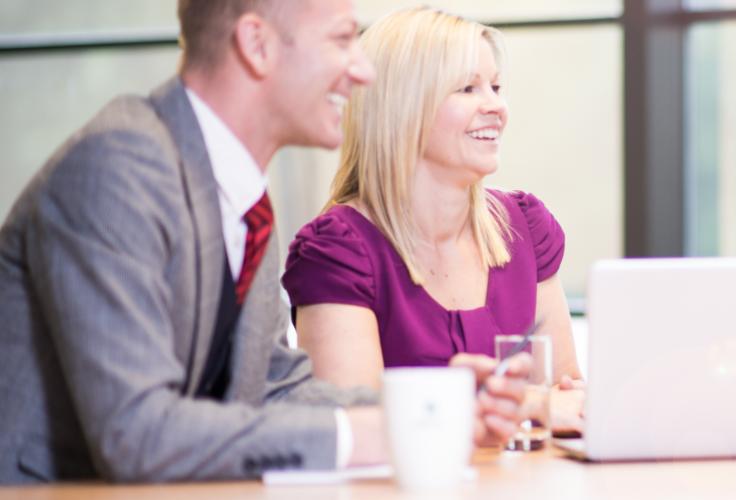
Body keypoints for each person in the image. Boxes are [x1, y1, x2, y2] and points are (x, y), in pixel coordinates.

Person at [0, 0, 529, 483]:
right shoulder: (119, 169)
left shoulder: (240, 193)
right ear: (257, 46)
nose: (363, 71)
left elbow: (275, 385)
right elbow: (136, 436)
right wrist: (367, 436)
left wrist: (432, 411)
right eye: (341, 41)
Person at [281, 7, 581, 390]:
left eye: (496, 87)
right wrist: (523, 409)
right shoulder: (336, 254)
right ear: (404, 106)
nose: (495, 106)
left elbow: (565, 397)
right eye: (467, 88)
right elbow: (357, 426)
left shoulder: (526, 228)